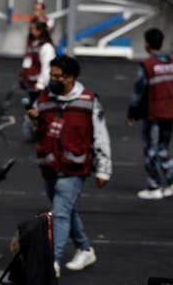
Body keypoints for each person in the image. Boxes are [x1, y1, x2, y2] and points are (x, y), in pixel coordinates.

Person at [26, 55, 112, 277]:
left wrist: (104, 169)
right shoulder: (44, 98)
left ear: (71, 77)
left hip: (75, 168)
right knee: (66, 209)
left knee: (59, 213)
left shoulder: (89, 101)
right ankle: (84, 249)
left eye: (57, 76)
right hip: (50, 166)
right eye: (51, 75)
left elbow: (101, 136)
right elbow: (32, 132)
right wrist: (33, 119)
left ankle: (52, 261)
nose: (52, 80)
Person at [126, 28, 173, 199]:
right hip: (171, 111)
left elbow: (139, 92)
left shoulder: (148, 65)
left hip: (155, 113)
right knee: (163, 148)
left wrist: (132, 113)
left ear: (147, 44)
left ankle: (154, 186)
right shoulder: (172, 62)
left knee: (151, 149)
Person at [20, 21, 56, 141]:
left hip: (40, 86)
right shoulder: (34, 44)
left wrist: (40, 84)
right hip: (31, 83)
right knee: (31, 110)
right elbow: (29, 60)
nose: (31, 32)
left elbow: (47, 68)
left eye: (33, 29)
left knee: (37, 111)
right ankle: (36, 133)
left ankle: (39, 134)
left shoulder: (46, 47)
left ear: (40, 31)